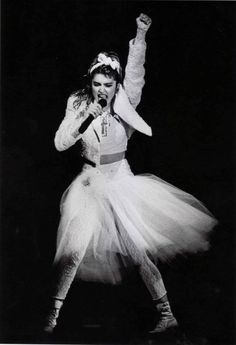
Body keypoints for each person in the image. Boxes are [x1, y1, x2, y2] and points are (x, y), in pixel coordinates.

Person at [43, 13, 217, 334]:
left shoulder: (126, 100)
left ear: (116, 84)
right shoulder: (79, 103)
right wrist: (84, 120)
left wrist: (140, 33)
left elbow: (136, 71)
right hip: (90, 183)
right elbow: (60, 142)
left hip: (120, 181)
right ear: (90, 82)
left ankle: (167, 315)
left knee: (139, 253)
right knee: (75, 251)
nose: (102, 91)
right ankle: (50, 321)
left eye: (108, 85)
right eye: (97, 84)